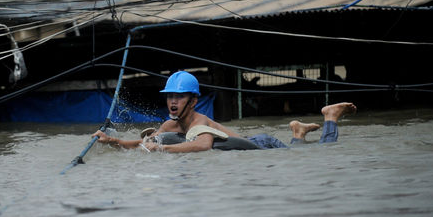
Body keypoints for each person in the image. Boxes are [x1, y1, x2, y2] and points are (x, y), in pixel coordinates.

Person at [93, 71, 357, 153]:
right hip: (253, 142)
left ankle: (330, 116)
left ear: (193, 101)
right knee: (298, 152)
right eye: (170, 97)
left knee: (324, 154)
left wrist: (164, 150)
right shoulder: (170, 126)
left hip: (262, 144)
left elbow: (203, 145)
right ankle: (298, 132)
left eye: (179, 97)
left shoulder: (198, 122)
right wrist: (113, 141)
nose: (173, 102)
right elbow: (143, 143)